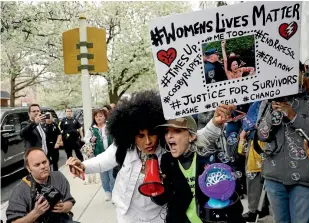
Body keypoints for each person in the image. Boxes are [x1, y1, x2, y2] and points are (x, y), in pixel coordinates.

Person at [66, 90, 235, 223]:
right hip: (127, 215)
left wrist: (215, 122)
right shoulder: (124, 147)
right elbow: (103, 161)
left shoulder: (168, 147)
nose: (148, 141)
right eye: (140, 136)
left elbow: (196, 137)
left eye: (152, 134)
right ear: (131, 135)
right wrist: (83, 165)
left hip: (158, 216)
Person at [256, 73, 309, 223]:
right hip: (273, 175)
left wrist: (293, 116)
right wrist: (272, 114)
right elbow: (262, 135)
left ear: (301, 74)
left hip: (304, 176)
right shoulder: (267, 103)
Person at [152, 115, 245, 223]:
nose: (169, 136)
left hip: (210, 218)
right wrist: (156, 188)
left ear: (191, 136)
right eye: (167, 131)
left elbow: (234, 191)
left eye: (177, 131)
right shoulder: (167, 161)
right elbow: (162, 200)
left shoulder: (209, 158)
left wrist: (222, 186)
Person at [6, 148, 75, 223]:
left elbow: (69, 202)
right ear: (29, 168)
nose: (42, 166)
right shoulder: (20, 190)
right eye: (37, 165)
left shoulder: (58, 176)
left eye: (44, 162)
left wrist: (63, 207)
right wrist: (36, 213)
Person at [84, 108, 114, 201]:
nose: (98, 118)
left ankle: (114, 193)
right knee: (104, 176)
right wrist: (90, 139)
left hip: (111, 154)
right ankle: (107, 192)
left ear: (105, 117)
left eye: (101, 116)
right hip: (99, 155)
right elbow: (85, 139)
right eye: (96, 116)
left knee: (112, 175)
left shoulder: (109, 126)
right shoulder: (92, 129)